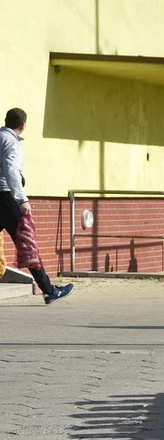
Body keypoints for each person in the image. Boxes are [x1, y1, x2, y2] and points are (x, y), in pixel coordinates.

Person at [0, 108, 74, 304]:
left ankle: (49, 288)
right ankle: (49, 290)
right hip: (6, 198)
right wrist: (22, 199)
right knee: (27, 246)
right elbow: (11, 171)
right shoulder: (11, 143)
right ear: (23, 125)